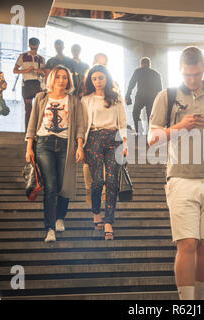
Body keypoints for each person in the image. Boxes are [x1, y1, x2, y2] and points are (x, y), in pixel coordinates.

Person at [148, 46, 204, 300]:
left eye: (197, 74)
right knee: (186, 243)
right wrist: (179, 126)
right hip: (180, 177)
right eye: (188, 75)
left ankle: (198, 301)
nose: (192, 79)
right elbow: (152, 139)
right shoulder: (167, 96)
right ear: (180, 70)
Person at [25, 65, 85, 243]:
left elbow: (80, 125)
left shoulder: (74, 101)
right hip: (44, 143)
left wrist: (80, 146)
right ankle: (49, 228)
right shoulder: (41, 97)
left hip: (66, 145)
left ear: (68, 80)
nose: (61, 80)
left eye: (64, 77)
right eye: (58, 76)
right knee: (50, 186)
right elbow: (33, 121)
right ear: (52, 78)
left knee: (63, 185)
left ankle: (60, 218)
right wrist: (29, 147)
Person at [82, 64, 128, 239]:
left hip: (114, 139)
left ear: (106, 78)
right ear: (90, 80)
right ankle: (96, 212)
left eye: (101, 78)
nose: (98, 82)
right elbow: (82, 123)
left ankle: (108, 221)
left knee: (111, 181)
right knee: (98, 181)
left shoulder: (116, 98)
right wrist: (80, 146)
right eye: (94, 79)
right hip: (93, 139)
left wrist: (125, 145)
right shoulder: (86, 99)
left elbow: (123, 123)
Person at [13, 37, 46, 131]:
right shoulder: (22, 56)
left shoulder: (41, 59)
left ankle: (38, 131)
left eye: (35, 48)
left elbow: (44, 73)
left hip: (38, 84)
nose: (33, 49)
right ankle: (28, 132)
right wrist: (26, 70)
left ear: (38, 46)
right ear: (29, 45)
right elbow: (15, 71)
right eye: (32, 47)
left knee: (39, 109)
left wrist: (41, 72)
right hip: (26, 84)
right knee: (28, 109)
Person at [125, 57, 162, 135]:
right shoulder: (155, 73)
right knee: (150, 116)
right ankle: (151, 133)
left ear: (141, 64)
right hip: (152, 98)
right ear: (149, 65)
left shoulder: (138, 71)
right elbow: (160, 89)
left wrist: (128, 96)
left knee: (135, 113)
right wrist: (159, 101)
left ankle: (140, 131)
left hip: (140, 97)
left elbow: (131, 84)